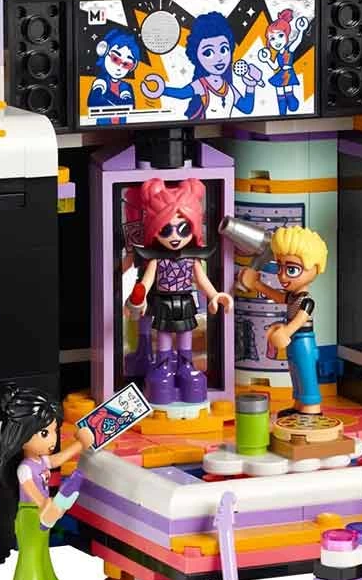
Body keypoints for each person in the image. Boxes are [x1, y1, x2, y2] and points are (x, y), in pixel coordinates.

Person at [126, 177, 233, 404]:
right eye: (166, 230)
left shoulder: (191, 258)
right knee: (164, 335)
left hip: (185, 301)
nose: (175, 237)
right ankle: (163, 367)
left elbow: (201, 280)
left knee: (185, 334)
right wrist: (139, 298)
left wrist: (215, 295)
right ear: (154, 230)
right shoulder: (156, 259)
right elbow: (146, 282)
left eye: (183, 229)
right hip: (163, 302)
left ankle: (186, 366)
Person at [0, 387, 94, 580]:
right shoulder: (25, 467)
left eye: (54, 432)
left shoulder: (41, 461)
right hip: (30, 514)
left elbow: (59, 458)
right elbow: (30, 489)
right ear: (21, 435)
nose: (52, 440)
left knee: (42, 549)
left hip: (42, 513)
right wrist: (44, 504)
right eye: (44, 434)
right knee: (30, 552)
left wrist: (80, 443)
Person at [239, 225, 327, 414]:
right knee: (295, 371)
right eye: (280, 267)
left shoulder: (306, 301)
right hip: (293, 340)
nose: (282, 276)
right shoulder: (293, 296)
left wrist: (287, 330)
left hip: (303, 340)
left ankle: (312, 407)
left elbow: (300, 320)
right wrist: (257, 285)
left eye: (292, 270)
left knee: (306, 372)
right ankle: (299, 404)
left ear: (315, 268)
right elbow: (278, 297)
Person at [139, 10, 256, 120]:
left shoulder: (229, 87)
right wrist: (163, 90)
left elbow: (246, 108)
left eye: (223, 50)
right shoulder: (202, 84)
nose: (219, 58)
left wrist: (250, 86)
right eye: (208, 53)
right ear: (196, 56)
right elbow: (182, 93)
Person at [257, 8, 309, 115]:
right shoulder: (277, 55)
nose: (277, 41)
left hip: (288, 74)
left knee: (289, 93)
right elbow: (275, 66)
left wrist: (301, 30)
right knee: (280, 93)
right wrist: (267, 60)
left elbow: (298, 41)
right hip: (280, 74)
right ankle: (282, 113)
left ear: (286, 34)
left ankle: (292, 102)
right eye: (272, 39)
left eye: (280, 35)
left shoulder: (289, 50)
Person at [87, 27, 142, 125]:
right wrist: (118, 103)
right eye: (115, 59)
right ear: (104, 51)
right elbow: (93, 102)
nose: (119, 67)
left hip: (124, 127)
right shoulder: (101, 81)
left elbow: (129, 105)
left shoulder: (126, 86)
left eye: (126, 64)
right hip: (102, 128)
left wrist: (106, 95)